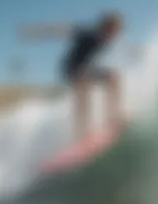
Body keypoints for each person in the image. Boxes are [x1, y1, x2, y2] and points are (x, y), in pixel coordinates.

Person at [19, 12, 124, 142]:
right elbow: (59, 31)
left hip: (87, 70)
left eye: (116, 33)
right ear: (104, 28)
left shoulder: (105, 41)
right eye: (112, 31)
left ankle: (113, 118)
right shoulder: (88, 34)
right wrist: (35, 32)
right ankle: (82, 133)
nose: (113, 36)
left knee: (114, 78)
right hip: (71, 69)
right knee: (84, 88)